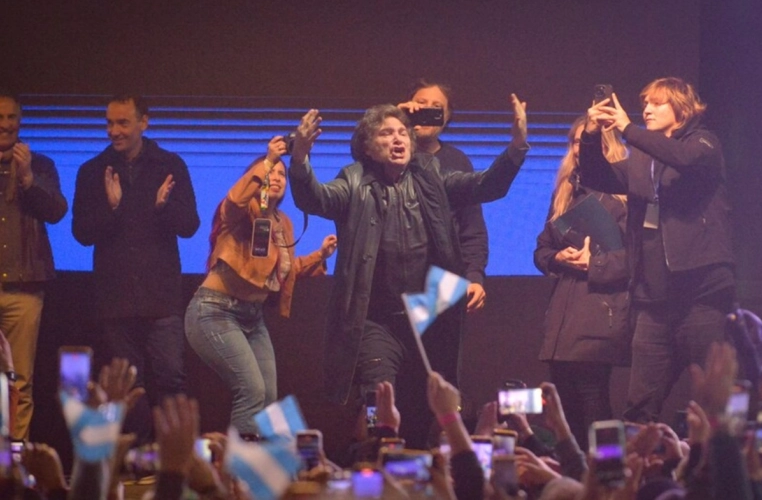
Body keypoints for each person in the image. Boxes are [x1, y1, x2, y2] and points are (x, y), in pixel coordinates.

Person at [288, 96, 528, 448]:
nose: (398, 139)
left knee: (420, 412)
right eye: (386, 133)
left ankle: (413, 472)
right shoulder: (353, 181)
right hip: (376, 318)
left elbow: (485, 185)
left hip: (428, 316)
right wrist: (299, 158)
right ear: (368, 147)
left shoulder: (430, 174)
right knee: (377, 400)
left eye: (403, 132)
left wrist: (516, 147)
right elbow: (315, 198)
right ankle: (371, 463)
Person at [580, 77, 735, 422]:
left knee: (718, 403)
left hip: (701, 297)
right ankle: (637, 457)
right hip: (654, 302)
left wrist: (627, 129)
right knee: (638, 408)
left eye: (656, 103)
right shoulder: (643, 159)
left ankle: (723, 457)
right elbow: (595, 176)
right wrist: (591, 134)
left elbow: (682, 158)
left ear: (682, 108)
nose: (647, 109)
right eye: (645, 103)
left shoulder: (704, 143)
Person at [184, 136, 337, 436]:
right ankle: (240, 464)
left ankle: (259, 460)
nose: (277, 177)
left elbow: (282, 272)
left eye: (282, 174)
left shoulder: (283, 222)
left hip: (252, 317)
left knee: (268, 397)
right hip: (215, 311)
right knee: (251, 390)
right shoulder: (241, 211)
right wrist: (267, 160)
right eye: (271, 171)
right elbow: (235, 201)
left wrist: (320, 256)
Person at [72, 94, 200, 442]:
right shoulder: (92, 170)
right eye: (109, 123)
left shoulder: (170, 165)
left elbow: (190, 225)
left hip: (161, 298)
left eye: (122, 123)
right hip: (115, 300)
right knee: (129, 387)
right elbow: (81, 233)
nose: (114, 131)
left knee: (171, 377)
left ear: (144, 122)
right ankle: (138, 456)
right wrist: (111, 208)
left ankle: (173, 455)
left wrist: (163, 207)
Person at [533, 115, 631, 449]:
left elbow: (639, 260)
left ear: (607, 146)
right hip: (562, 316)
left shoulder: (624, 197)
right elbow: (541, 250)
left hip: (599, 310)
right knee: (565, 404)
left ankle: (608, 471)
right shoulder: (565, 194)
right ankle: (574, 472)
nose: (580, 149)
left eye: (588, 142)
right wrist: (556, 258)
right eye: (575, 142)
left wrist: (595, 263)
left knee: (593, 400)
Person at [0, 92, 68, 440]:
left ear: (21, 120)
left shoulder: (40, 165)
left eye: (11, 117)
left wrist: (27, 178)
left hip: (24, 290)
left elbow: (57, 211)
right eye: (0, 117)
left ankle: (15, 460)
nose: (5, 124)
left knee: (19, 381)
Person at [398, 80, 489, 312]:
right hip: (391, 279)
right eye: (421, 104)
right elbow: (361, 153)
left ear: (447, 117)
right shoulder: (388, 153)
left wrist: (474, 275)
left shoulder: (457, 161)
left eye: (436, 108)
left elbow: (472, 226)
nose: (427, 110)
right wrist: (395, 121)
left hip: (442, 284)